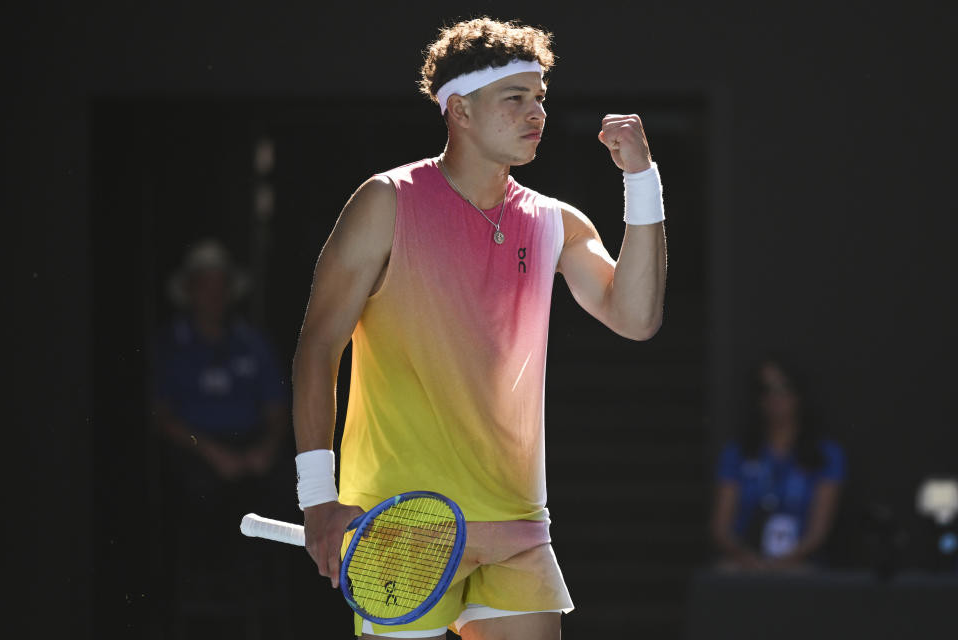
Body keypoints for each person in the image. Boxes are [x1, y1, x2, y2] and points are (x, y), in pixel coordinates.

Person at [292, 18, 667, 639]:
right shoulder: (384, 202)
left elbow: (636, 318)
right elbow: (317, 347)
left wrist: (641, 181)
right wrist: (316, 497)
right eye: (514, 98)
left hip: (518, 526)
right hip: (401, 523)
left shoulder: (556, 222)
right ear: (459, 110)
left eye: (540, 97)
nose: (534, 113)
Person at [151, 239, 290, 630]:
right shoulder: (172, 344)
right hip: (196, 451)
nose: (213, 294)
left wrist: (264, 448)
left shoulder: (251, 342)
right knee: (198, 495)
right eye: (204, 284)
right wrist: (211, 452)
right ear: (190, 291)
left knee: (280, 490)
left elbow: (276, 410)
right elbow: (162, 417)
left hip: (249, 448)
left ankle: (266, 610)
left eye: (219, 285)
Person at [709, 356, 847, 571]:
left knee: (803, 575)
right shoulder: (737, 453)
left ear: (799, 394)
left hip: (800, 563)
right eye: (766, 389)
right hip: (746, 561)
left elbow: (819, 532)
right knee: (725, 572)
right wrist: (750, 560)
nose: (776, 398)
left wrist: (781, 564)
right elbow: (721, 528)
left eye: (784, 388)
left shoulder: (826, 454)